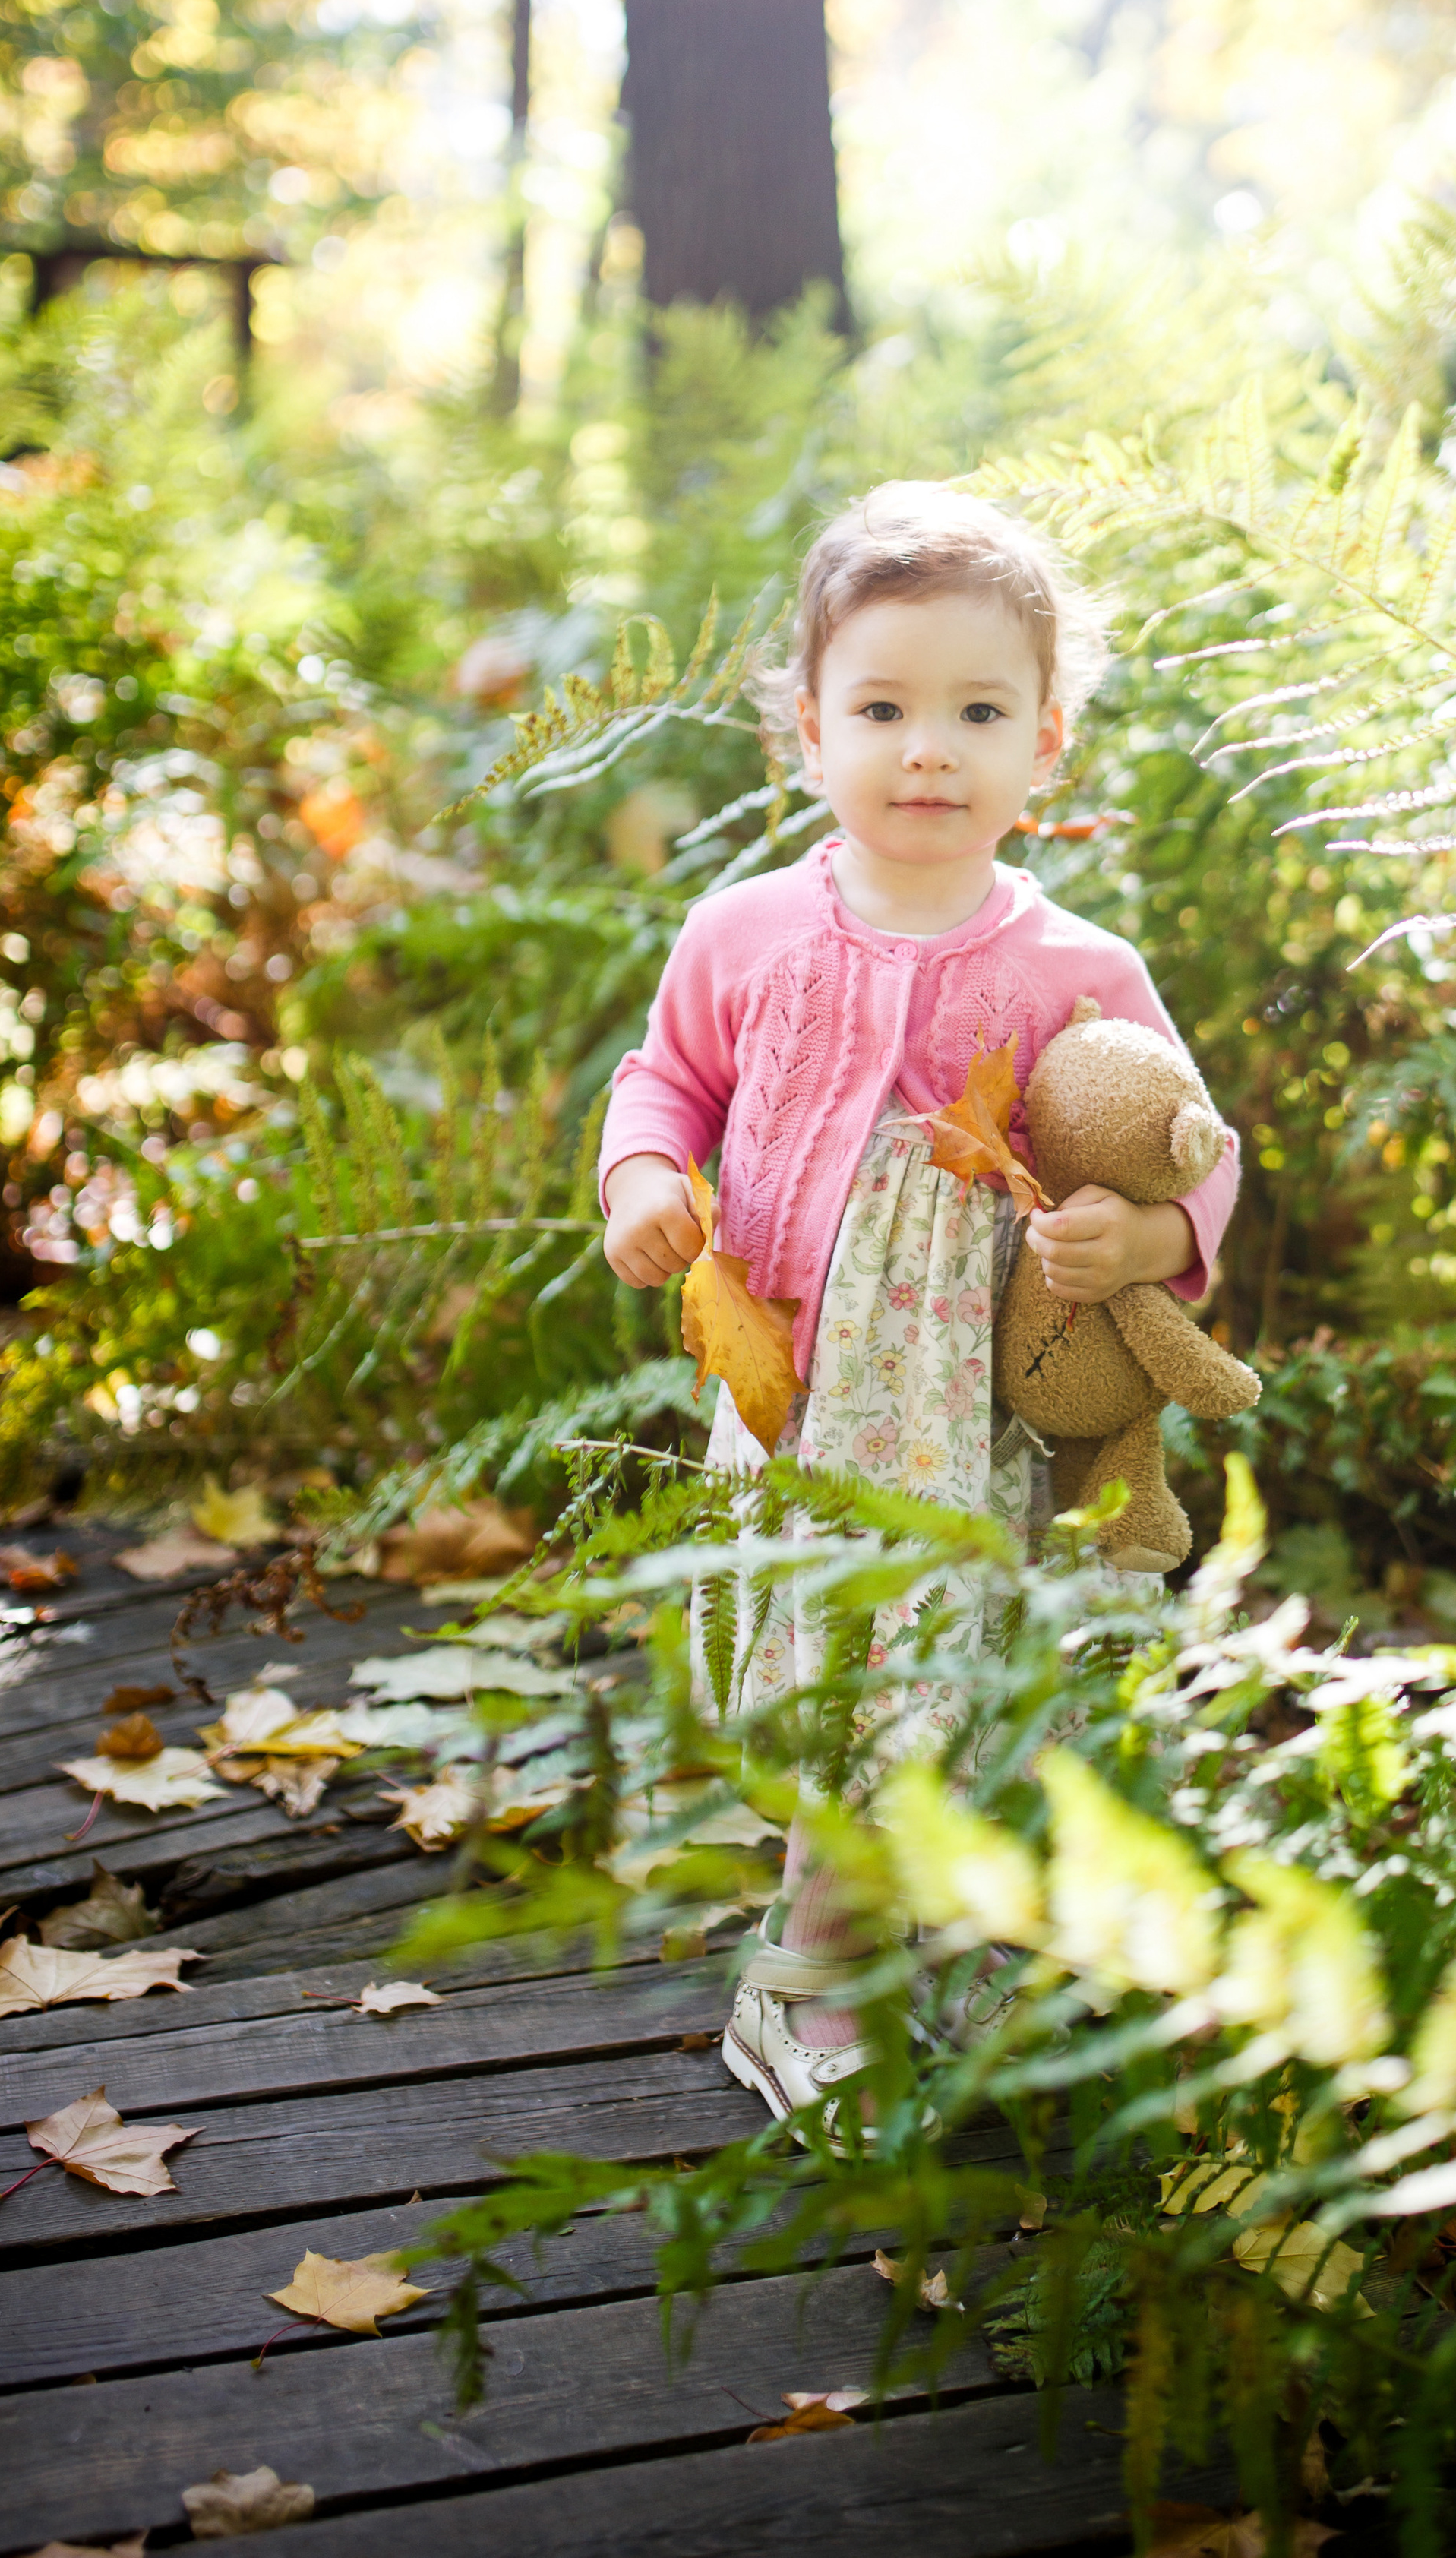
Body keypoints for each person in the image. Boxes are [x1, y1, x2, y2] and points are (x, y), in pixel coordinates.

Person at [598, 480, 1238, 2134]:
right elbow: (661, 1081)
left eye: (975, 710)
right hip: (791, 1386)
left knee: (933, 1666)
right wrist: (640, 1188)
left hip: (968, 1405)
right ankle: (807, 1975)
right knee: (830, 1667)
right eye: (880, 708)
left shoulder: (1072, 971)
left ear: (1048, 746)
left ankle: (902, 1939)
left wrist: (1149, 1232)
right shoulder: (742, 934)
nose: (926, 749)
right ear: (806, 732)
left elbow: (1189, 1139)